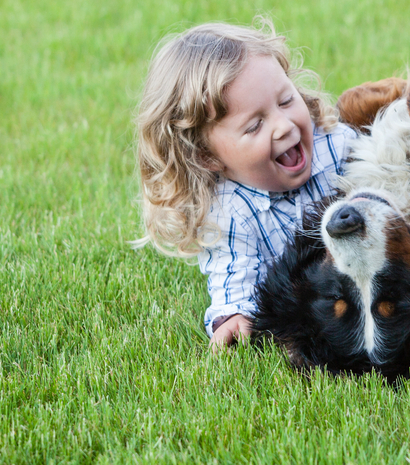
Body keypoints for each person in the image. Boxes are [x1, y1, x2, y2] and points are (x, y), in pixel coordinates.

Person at [134, 19, 357, 349]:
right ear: (208, 156)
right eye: (254, 126)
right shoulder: (229, 211)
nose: (283, 126)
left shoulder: (337, 146)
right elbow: (232, 276)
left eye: (285, 101)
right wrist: (233, 317)